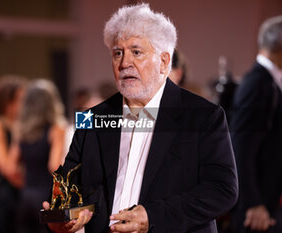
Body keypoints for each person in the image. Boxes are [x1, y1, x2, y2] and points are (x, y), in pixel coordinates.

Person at [43, 4, 238, 233]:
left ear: (164, 62)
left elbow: (222, 190)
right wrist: (63, 215)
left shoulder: (203, 117)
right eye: (118, 53)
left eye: (136, 52)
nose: (125, 63)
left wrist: (152, 216)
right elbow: (68, 183)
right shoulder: (92, 119)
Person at [230, 16, 282, 233]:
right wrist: (252, 202)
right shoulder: (258, 84)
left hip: (266, 200)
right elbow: (240, 147)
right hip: (255, 210)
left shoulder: (269, 81)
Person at [16, 79, 66, 233]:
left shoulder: (21, 129)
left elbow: (12, 165)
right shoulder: (56, 129)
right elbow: (54, 166)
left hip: (25, 195)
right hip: (45, 196)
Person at [0, 75, 25, 233]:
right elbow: (7, 168)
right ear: (6, 102)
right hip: (9, 194)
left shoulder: (24, 124)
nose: (24, 104)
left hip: (26, 192)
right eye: (20, 99)